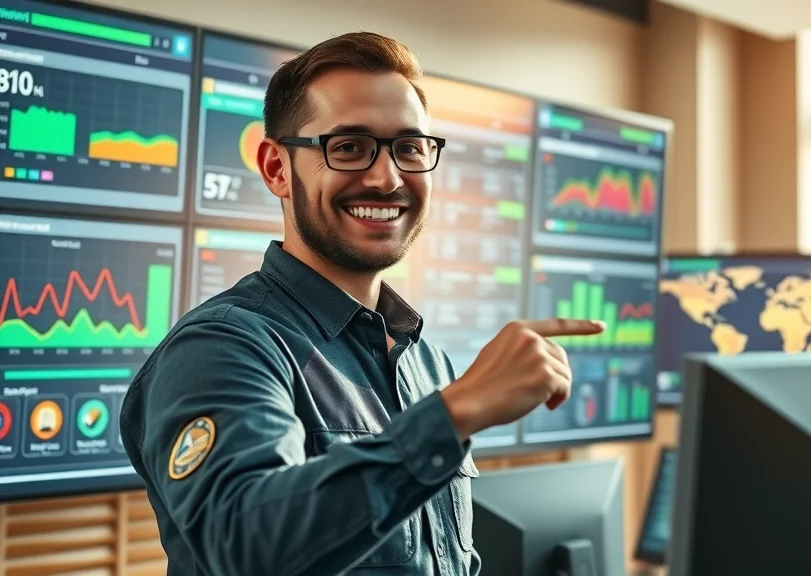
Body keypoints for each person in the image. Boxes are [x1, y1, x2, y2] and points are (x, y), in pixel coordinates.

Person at [118, 31, 604, 576]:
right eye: (348, 147)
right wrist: (458, 411)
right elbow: (245, 548)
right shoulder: (222, 347)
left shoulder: (428, 365)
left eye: (410, 148)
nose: (387, 178)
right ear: (277, 169)